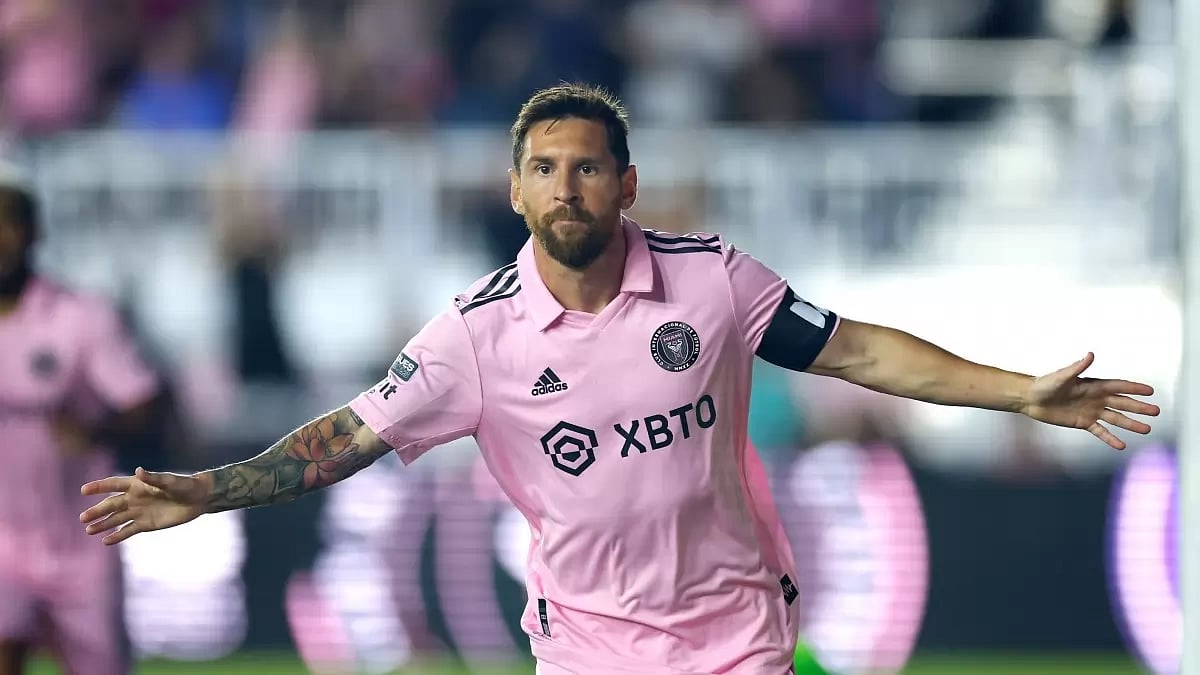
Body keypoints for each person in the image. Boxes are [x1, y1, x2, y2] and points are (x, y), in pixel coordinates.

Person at [79, 83, 1159, 674]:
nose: (567, 187)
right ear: (514, 191)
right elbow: (348, 438)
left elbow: (860, 350)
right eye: (545, 168)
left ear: (627, 183)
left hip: (738, 633)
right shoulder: (474, 335)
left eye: (587, 166)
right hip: (589, 645)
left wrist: (1022, 392)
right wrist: (207, 488)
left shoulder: (714, 280)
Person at [0, 166, 160, 675]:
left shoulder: (80, 316)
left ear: (35, 230)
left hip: (83, 540)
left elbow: (143, 402)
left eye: (9, 220)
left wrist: (93, 431)